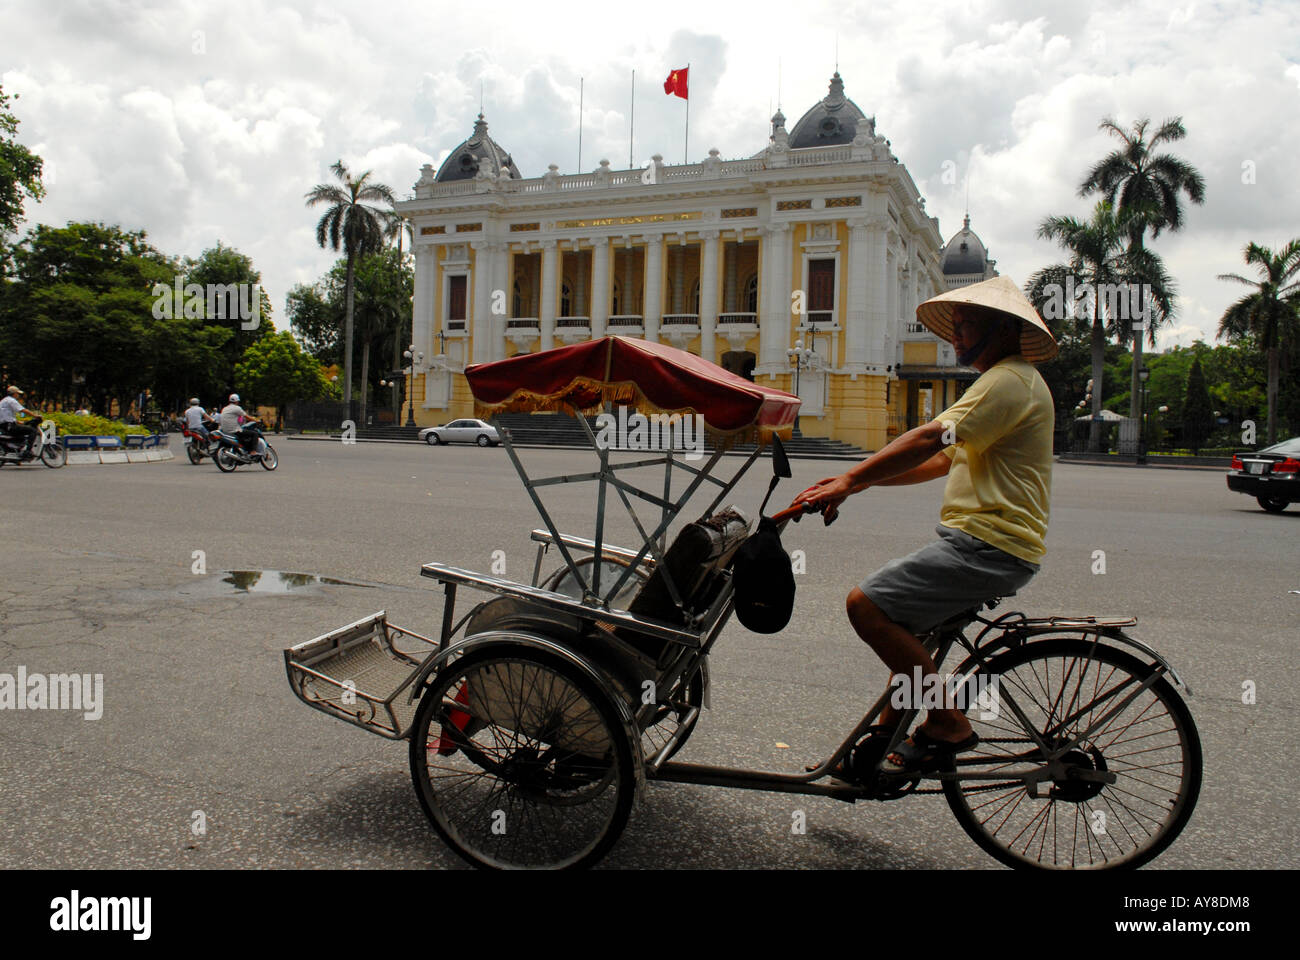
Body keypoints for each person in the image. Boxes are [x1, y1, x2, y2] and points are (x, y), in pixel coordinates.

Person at [794, 275, 1058, 775]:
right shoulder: (1007, 381)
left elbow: (931, 438)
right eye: (954, 326)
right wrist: (861, 484)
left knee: (866, 606)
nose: (955, 336)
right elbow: (942, 462)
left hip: (988, 546)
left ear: (1002, 328)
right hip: (990, 544)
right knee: (904, 631)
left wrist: (851, 478)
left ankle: (947, 724)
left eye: (966, 325)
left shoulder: (1007, 380)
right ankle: (881, 742)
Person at [0, 386, 39, 456]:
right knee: (33, 430)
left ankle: (17, 451)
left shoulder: (3, 401)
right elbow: (22, 410)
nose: (18, 395)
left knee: (21, 433)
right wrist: (35, 415)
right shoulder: (11, 400)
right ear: (14, 393)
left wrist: (20, 422)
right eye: (17, 394)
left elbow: (7, 416)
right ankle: (28, 451)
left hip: (4, 426)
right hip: (9, 426)